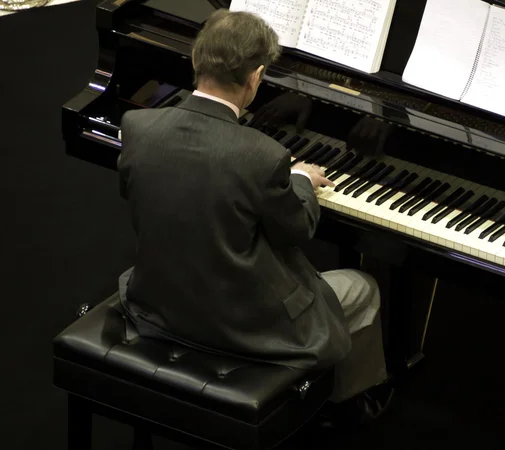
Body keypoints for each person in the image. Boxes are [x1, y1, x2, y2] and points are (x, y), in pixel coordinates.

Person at [117, 9, 393, 422]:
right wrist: (300, 179)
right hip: (243, 330)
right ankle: (342, 400)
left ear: (195, 60)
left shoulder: (137, 126)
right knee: (362, 286)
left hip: (157, 305)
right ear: (256, 77)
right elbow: (297, 229)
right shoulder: (262, 155)